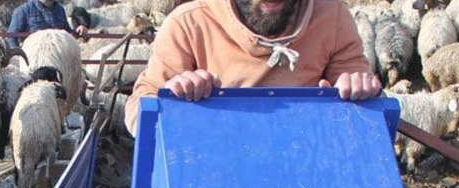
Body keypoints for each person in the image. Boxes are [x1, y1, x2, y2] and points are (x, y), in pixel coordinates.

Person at [126, 0, 382, 134]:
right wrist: (171, 96)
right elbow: (139, 107)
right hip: (213, 175)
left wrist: (358, 86)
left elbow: (360, 92)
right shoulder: (189, 24)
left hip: (304, 169)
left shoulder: (333, 18)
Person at [6, 0, 87, 48]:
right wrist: (19, 59)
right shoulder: (24, 10)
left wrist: (77, 31)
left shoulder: (60, 9)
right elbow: (11, 37)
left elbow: (67, 33)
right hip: (34, 59)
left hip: (59, 57)